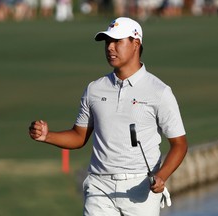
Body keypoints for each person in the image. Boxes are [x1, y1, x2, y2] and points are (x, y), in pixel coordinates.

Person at [29, 17, 188, 216]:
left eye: (117, 41)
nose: (110, 48)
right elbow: (79, 137)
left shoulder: (159, 92)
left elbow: (179, 144)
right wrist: (47, 135)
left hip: (141, 188)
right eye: (107, 42)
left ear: (135, 43)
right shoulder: (94, 89)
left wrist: (161, 176)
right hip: (99, 187)